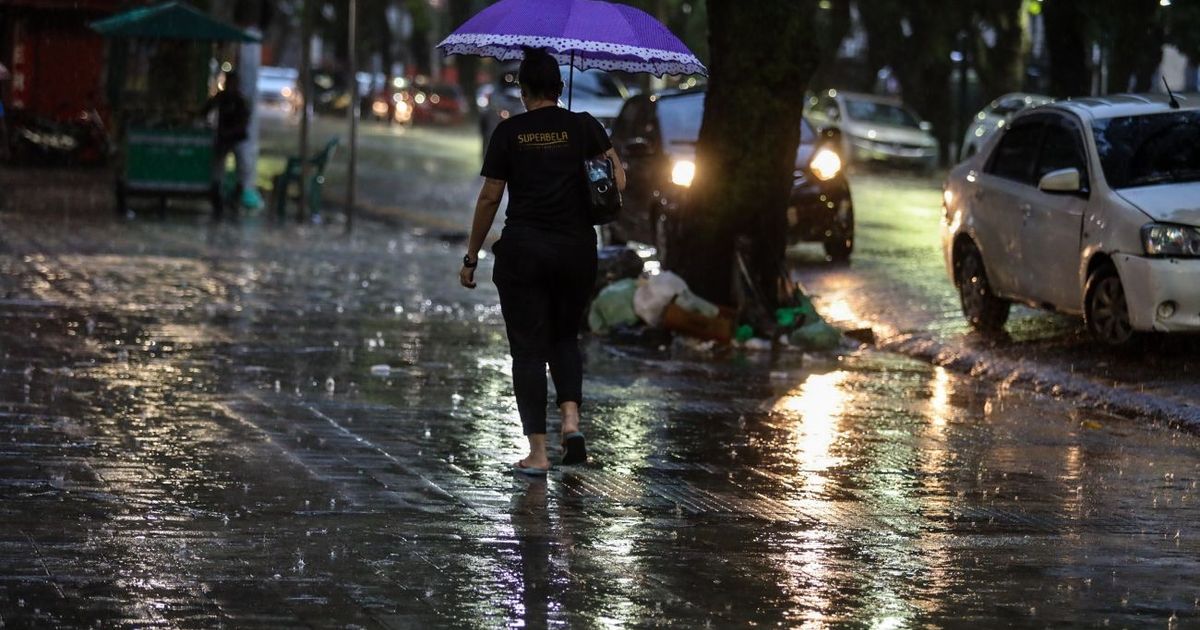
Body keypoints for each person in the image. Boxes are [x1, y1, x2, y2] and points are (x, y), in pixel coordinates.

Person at [459, 47, 626, 476]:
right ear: (560, 86)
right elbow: (619, 182)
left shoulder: (509, 133)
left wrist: (472, 255)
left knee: (529, 352)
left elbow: (491, 196)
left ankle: (538, 452)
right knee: (565, 338)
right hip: (576, 253)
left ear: (524, 89)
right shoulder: (585, 126)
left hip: (525, 254)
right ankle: (571, 424)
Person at [201, 69, 250, 219]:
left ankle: (235, 196)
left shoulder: (240, 101)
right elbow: (206, 109)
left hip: (236, 139)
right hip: (223, 139)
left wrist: (231, 132)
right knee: (218, 169)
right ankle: (218, 197)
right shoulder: (221, 98)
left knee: (243, 167)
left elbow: (244, 122)